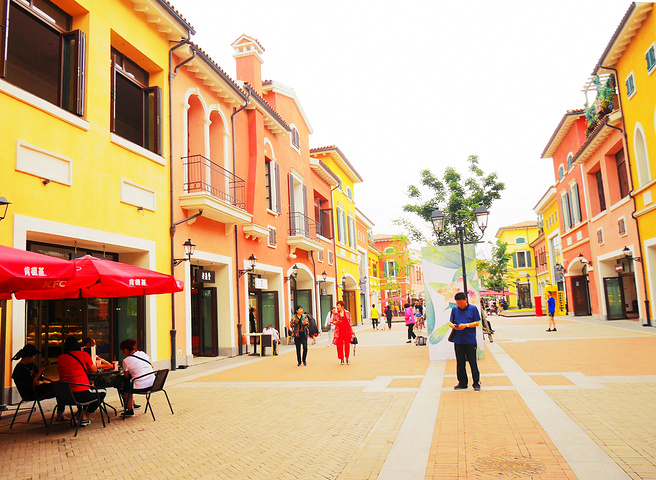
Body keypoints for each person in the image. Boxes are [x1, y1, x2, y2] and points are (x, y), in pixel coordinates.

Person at [57, 336, 106, 426]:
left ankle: (64, 413)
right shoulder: (84, 355)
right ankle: (84, 416)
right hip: (81, 394)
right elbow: (94, 370)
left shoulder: (60, 358)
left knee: (82, 391)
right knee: (102, 392)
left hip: (65, 396)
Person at [11, 344, 66, 421]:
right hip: (32, 392)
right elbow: (31, 383)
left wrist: (42, 369)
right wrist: (40, 373)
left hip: (39, 387)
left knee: (60, 385)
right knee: (60, 389)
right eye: (33, 356)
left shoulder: (30, 365)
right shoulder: (20, 369)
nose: (34, 358)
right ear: (27, 357)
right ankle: (60, 414)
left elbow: (38, 379)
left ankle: (60, 413)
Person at [449, 292, 481, 390]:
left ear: (466, 300)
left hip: (470, 340)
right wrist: (453, 326)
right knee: (460, 362)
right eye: (458, 303)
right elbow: (450, 322)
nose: (459, 305)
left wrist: (466, 325)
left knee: (473, 362)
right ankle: (462, 382)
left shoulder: (473, 309)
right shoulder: (454, 310)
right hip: (458, 340)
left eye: (461, 303)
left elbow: (477, 323)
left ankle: (476, 382)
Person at [119, 338, 154, 417]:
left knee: (125, 382)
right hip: (152, 384)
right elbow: (152, 365)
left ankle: (130, 409)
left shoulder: (126, 360)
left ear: (125, 350)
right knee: (128, 383)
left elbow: (126, 375)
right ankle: (131, 405)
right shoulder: (142, 354)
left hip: (141, 386)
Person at [332, 300, 354, 365]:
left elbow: (350, 322)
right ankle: (341, 359)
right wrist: (336, 322)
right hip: (339, 331)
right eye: (337, 305)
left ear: (342, 306)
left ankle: (347, 358)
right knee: (339, 345)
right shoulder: (336, 314)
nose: (337, 307)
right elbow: (333, 322)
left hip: (347, 331)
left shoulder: (347, 313)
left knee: (347, 344)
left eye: (338, 305)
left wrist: (352, 331)